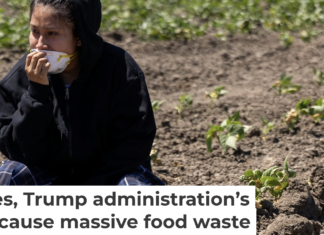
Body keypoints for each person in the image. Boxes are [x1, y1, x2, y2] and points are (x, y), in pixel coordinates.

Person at [0, 0, 164, 186]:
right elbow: (18, 150)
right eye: (35, 31)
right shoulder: (22, 75)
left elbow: (133, 145)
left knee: (135, 189)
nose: (40, 45)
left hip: (108, 179)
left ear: (80, 36)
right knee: (8, 174)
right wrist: (37, 94)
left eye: (52, 33)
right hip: (51, 178)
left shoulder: (120, 70)